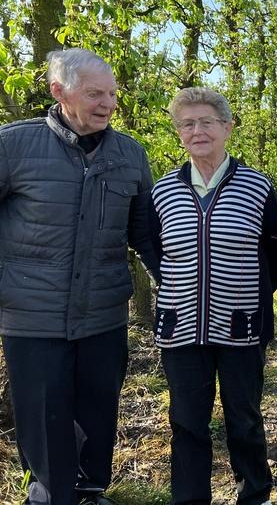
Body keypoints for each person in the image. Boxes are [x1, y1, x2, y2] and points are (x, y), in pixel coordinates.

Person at [0, 48, 159, 505]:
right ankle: (50, 493)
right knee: (45, 414)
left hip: (103, 313)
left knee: (98, 408)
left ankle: (91, 491)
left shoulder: (130, 153)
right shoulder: (13, 146)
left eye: (111, 93)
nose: (108, 103)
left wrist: (172, 287)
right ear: (59, 91)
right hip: (33, 316)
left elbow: (144, 231)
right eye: (94, 93)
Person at [149, 87, 277, 505]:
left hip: (241, 326)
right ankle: (190, 499)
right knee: (187, 422)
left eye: (206, 122)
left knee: (243, 419)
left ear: (227, 127)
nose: (197, 131)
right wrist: (179, 285)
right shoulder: (162, 190)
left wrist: (252, 294)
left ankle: (255, 494)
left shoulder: (258, 186)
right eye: (187, 124)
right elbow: (154, 249)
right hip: (180, 328)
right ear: (179, 134)